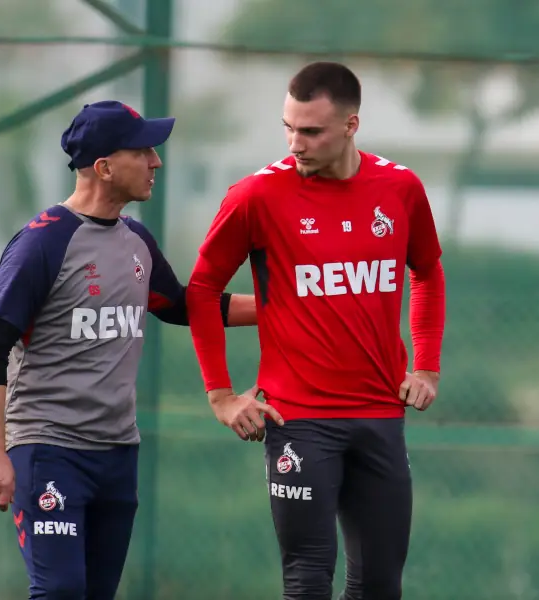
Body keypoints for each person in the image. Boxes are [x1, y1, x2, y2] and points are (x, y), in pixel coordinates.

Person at [0, 100, 257, 600]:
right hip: (48, 448)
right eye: (143, 151)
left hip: (117, 453)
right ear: (103, 167)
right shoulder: (44, 243)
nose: (156, 162)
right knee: (60, 591)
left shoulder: (137, 240)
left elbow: (184, 306)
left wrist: (292, 306)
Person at [185, 62, 447, 599]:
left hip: (379, 413)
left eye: (310, 131)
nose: (295, 143)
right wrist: (220, 395)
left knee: (379, 584)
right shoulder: (255, 196)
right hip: (297, 416)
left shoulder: (399, 188)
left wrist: (425, 366)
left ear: (351, 125)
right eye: (288, 127)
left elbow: (428, 271)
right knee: (307, 578)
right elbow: (202, 290)